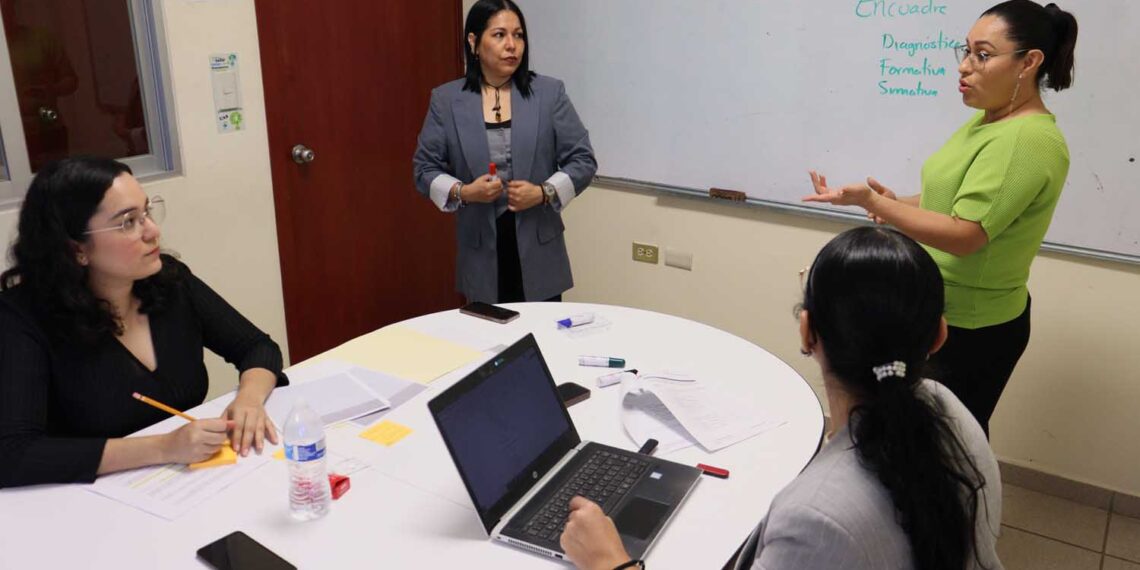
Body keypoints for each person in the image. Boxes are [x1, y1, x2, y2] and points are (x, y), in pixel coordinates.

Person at [560, 228, 1003, 570]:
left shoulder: (817, 521)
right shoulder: (951, 411)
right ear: (939, 336)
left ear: (807, 332)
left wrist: (610, 562)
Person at [805, 0, 1078, 435]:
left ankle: (953, 505)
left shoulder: (1027, 139)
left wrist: (878, 206)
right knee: (916, 434)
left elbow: (966, 235)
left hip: (973, 325)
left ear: (1029, 63)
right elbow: (951, 202)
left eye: (983, 55)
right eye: (965, 51)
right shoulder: (989, 121)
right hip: (941, 308)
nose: (964, 67)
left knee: (946, 442)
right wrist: (889, 202)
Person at [0, 157, 287, 489]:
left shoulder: (168, 280)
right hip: (86, 503)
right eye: (128, 222)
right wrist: (164, 447)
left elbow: (257, 347)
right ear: (76, 248)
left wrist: (249, 398)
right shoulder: (20, 318)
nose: (153, 231)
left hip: (191, 484)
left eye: (147, 212)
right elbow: (12, 454)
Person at [413, 0, 597, 304]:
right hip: (481, 250)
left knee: (542, 341)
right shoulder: (446, 100)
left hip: (539, 246)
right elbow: (423, 170)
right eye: (499, 35)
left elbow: (584, 160)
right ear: (474, 41)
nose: (512, 45)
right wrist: (463, 191)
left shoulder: (549, 94)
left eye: (519, 35)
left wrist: (543, 192)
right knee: (490, 342)